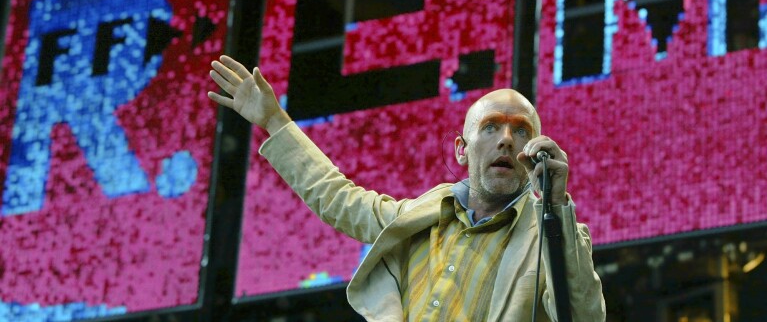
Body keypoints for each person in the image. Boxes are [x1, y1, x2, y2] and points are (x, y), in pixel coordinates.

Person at [208, 55, 605, 321]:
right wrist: (276, 122)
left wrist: (556, 205)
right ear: (461, 150)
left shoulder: (552, 237)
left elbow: (585, 316)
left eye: (521, 131)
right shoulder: (419, 218)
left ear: (534, 152)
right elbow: (337, 197)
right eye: (491, 127)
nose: (506, 139)